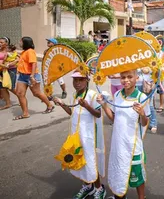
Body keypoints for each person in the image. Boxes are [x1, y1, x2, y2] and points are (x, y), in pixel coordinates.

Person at [98, 70, 151, 199]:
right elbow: (114, 118)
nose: (126, 80)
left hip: (133, 144)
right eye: (123, 77)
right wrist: (104, 105)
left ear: (137, 78)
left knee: (137, 174)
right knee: (120, 171)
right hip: (118, 143)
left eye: (129, 77)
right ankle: (120, 195)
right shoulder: (117, 95)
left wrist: (142, 114)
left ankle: (141, 197)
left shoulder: (141, 97)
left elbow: (144, 123)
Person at [54, 71, 106, 199]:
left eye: (80, 80)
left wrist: (87, 106)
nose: (77, 83)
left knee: (90, 161)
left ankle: (99, 188)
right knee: (79, 160)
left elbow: (98, 114)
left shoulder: (92, 95)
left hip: (89, 136)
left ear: (87, 80)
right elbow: (71, 112)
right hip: (77, 135)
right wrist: (61, 103)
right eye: (75, 80)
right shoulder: (74, 95)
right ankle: (88, 186)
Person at [14, 37, 54, 120]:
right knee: (19, 93)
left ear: (25, 42)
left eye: (21, 41)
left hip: (32, 76)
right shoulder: (24, 52)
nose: (19, 43)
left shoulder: (30, 51)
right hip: (22, 76)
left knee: (36, 93)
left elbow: (34, 64)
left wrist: (32, 76)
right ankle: (25, 113)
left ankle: (50, 105)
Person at [0, 37, 19, 110]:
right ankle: (8, 103)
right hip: (2, 70)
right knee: (2, 88)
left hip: (11, 70)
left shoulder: (11, 50)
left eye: (1, 42)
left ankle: (21, 97)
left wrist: (9, 65)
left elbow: (17, 59)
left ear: (6, 43)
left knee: (10, 87)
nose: (0, 44)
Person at [139, 67, 157, 134]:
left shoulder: (151, 58)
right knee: (139, 105)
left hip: (148, 85)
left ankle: (153, 123)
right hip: (137, 84)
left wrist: (148, 69)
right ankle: (142, 122)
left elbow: (156, 69)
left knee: (150, 105)